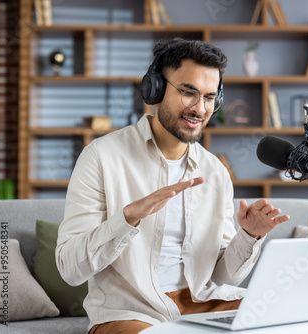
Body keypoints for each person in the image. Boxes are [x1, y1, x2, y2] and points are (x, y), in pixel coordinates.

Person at [55, 37, 290, 334]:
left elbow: (222, 277)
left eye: (208, 97)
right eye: (188, 93)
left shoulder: (214, 171)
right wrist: (127, 218)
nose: (199, 109)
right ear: (155, 88)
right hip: (130, 312)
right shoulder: (102, 157)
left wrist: (250, 236)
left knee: (283, 317)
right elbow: (70, 269)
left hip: (201, 303)